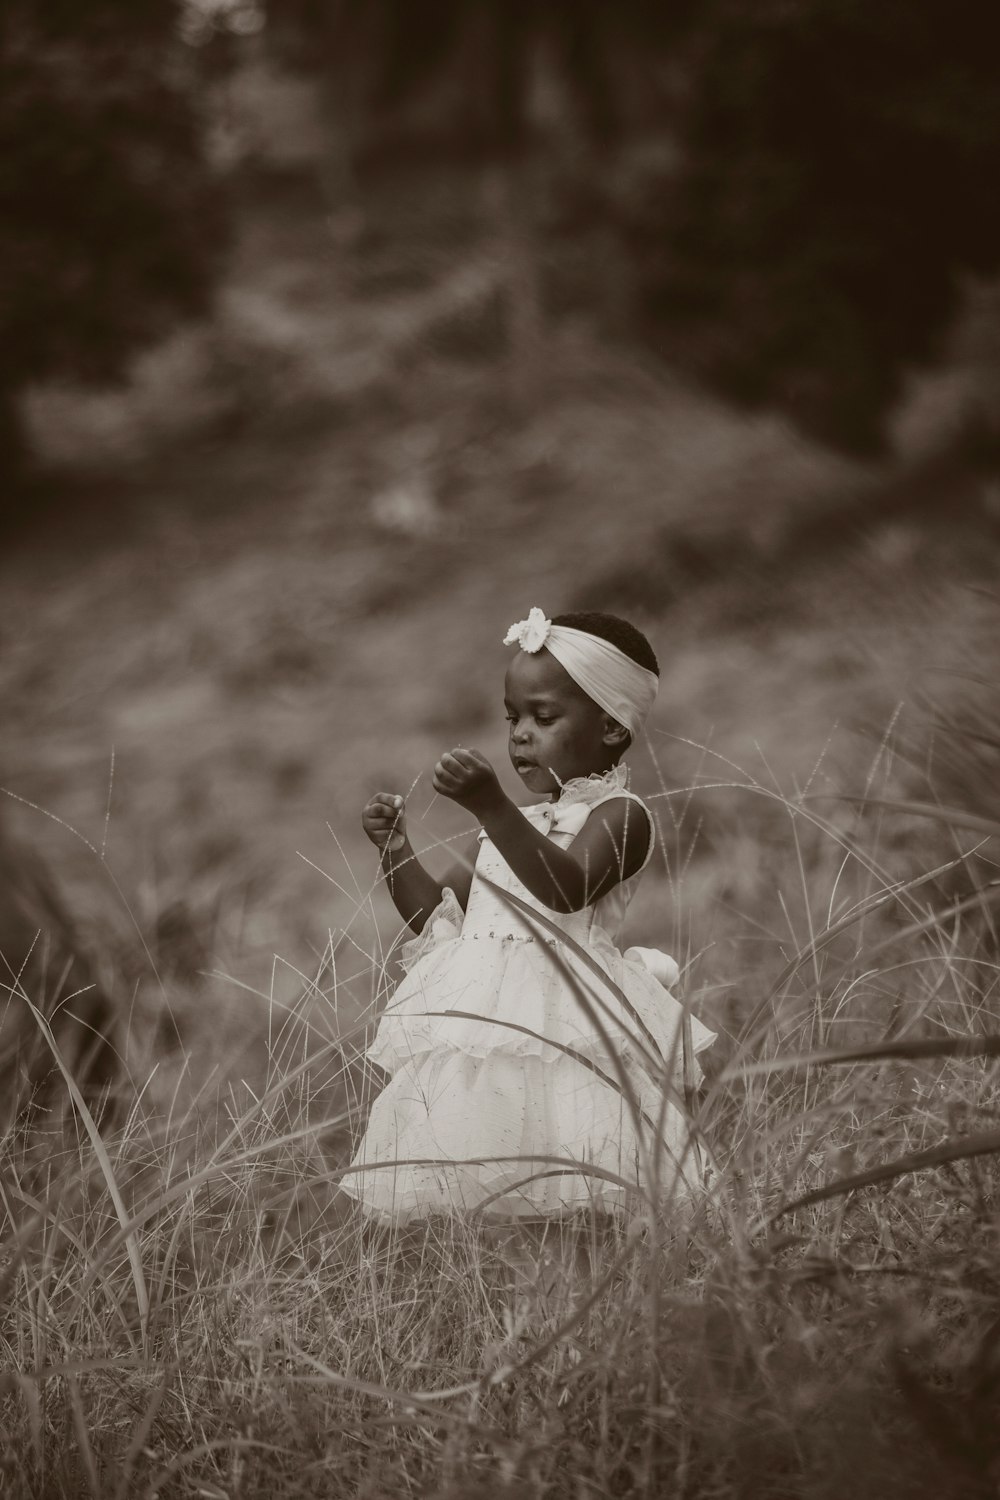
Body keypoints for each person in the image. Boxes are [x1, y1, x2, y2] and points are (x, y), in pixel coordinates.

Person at [341, 607, 715, 1224]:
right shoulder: (516, 827)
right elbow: (438, 919)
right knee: (489, 1179)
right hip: (490, 1032)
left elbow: (565, 890)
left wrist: (491, 806)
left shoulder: (621, 815)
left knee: (578, 1173)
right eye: (512, 717)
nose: (519, 735)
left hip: (567, 1024)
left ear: (612, 728)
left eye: (543, 718)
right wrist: (394, 850)